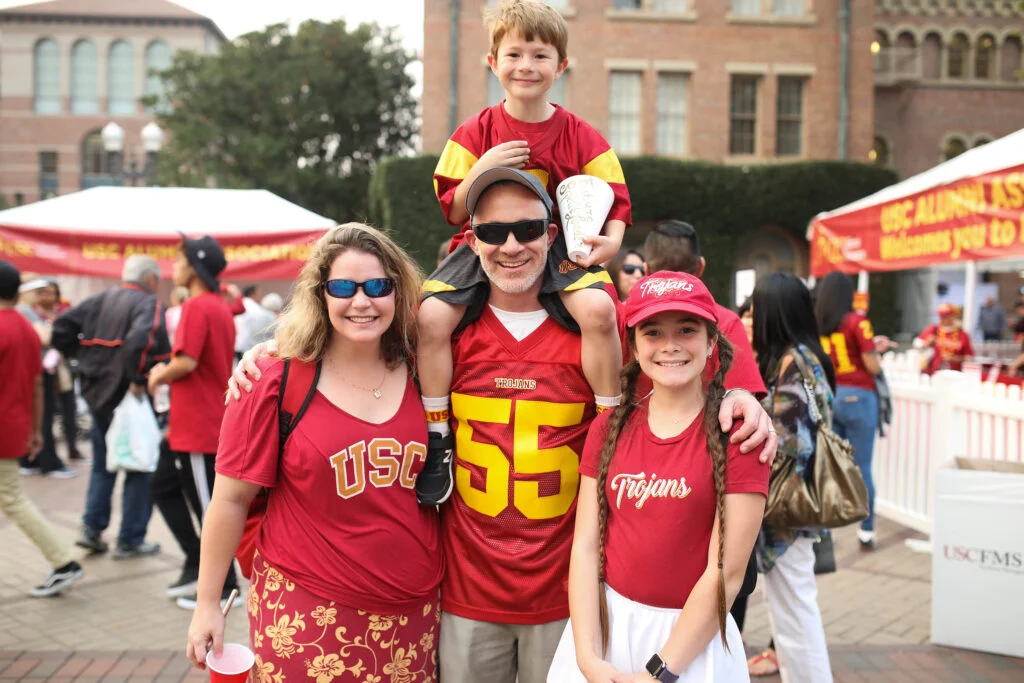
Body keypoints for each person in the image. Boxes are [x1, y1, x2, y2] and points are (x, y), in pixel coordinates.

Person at [231, 170, 776, 683]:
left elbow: (671, 381)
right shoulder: (436, 334)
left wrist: (740, 402)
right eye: (493, 231)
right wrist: (274, 350)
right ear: (472, 240)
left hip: (569, 596)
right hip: (468, 589)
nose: (511, 245)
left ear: (551, 235)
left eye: (527, 229)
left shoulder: (596, 336)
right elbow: (355, 342)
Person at [186, 224, 442, 681]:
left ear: (398, 292)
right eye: (343, 287)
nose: (361, 302)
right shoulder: (271, 379)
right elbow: (229, 500)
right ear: (320, 293)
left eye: (378, 286)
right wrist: (207, 605)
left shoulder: (427, 368)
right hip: (306, 618)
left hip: (414, 618)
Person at [415, 0, 632, 506]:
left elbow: (615, 196)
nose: (526, 66)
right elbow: (452, 207)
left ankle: (610, 428)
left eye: (540, 55)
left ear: (561, 66)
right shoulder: (474, 132)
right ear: (493, 63)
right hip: (483, 244)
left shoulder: (580, 133)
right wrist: (482, 166)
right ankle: (438, 434)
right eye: (514, 54)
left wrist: (614, 240)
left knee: (600, 311)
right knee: (429, 319)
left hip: (554, 246)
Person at [546, 271, 769, 682]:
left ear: (710, 343)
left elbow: (727, 573)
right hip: (607, 631)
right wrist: (587, 656)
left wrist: (660, 673)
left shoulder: (739, 435)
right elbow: (585, 547)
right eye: (652, 332)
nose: (670, 346)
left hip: (692, 644)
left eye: (686, 329)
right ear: (632, 345)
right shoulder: (609, 427)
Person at [52, 256, 170, 557]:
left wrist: (81, 357)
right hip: (125, 393)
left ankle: (91, 528)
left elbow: (61, 327)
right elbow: (139, 342)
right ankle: (129, 538)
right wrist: (138, 377)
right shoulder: (149, 303)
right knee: (139, 463)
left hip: (95, 391)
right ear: (152, 279)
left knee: (105, 462)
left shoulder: (100, 298)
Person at [749, 273, 835, 683]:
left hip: (787, 513)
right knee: (791, 614)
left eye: (756, 307)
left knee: (796, 617)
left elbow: (792, 444)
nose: (751, 314)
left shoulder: (795, 364)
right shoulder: (806, 357)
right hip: (793, 512)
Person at [148, 234, 240, 609]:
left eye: (181, 258)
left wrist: (157, 375)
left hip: (202, 427)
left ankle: (223, 589)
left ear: (197, 264)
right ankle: (196, 566)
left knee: (209, 509)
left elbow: (187, 362)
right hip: (193, 424)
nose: (176, 265)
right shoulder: (214, 305)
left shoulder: (199, 306)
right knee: (163, 488)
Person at [0, 260, 85, 597]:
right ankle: (63, 561)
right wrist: (35, 431)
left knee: (13, 499)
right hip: (16, 425)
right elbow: (37, 386)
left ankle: (64, 561)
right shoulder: (24, 327)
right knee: (12, 497)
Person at [643, 219, 767, 399]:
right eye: (653, 332)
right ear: (701, 266)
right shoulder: (726, 321)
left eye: (687, 330)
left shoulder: (621, 319)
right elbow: (744, 400)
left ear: (646, 271)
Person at [814, 272, 881, 550]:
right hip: (859, 396)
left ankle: (825, 528)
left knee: (832, 465)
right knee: (862, 466)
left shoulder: (817, 322)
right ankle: (866, 529)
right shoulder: (857, 321)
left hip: (831, 395)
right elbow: (873, 366)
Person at [16, 279, 76, 478]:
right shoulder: (25, 311)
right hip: (39, 371)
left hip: (36, 370)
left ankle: (29, 459)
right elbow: (46, 338)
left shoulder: (25, 311)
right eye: (38, 291)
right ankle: (48, 462)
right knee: (43, 416)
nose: (41, 296)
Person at [914, 303, 974, 374]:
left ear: (954, 316)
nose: (942, 318)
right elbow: (916, 345)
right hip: (933, 374)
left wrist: (955, 359)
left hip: (955, 377)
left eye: (946, 315)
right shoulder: (933, 329)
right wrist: (926, 343)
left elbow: (970, 358)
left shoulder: (963, 334)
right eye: (940, 315)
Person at [233, 285, 276, 361]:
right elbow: (266, 318)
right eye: (258, 293)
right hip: (247, 346)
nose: (260, 296)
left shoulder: (240, 304)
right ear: (252, 294)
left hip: (237, 344)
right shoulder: (253, 307)